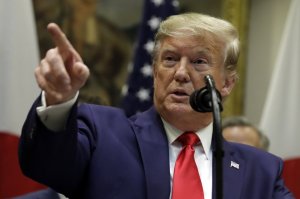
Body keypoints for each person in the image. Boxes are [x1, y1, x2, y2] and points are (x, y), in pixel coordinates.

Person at [18, 13, 294, 199]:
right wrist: (58, 101)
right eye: (171, 59)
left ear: (227, 84)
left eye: (199, 62)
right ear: (155, 70)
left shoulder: (262, 171)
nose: (181, 73)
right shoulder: (102, 134)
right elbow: (47, 165)